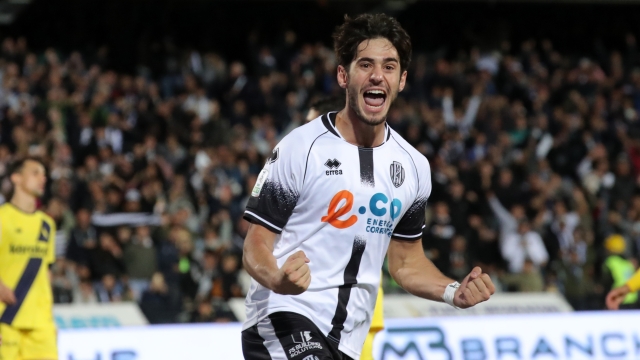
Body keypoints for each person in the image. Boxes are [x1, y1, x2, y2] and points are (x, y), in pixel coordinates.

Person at [241, 13, 495, 360]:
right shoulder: (301, 147)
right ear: (343, 75)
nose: (378, 75)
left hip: (348, 340)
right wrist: (277, 279)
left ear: (402, 80)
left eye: (389, 67)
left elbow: (405, 263)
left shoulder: (414, 166)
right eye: (365, 65)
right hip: (284, 315)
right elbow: (256, 242)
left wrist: (453, 292)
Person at [307, 97, 383, 360]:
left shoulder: (362, 174)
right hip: (312, 309)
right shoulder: (306, 163)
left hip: (350, 308)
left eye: (313, 125)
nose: (308, 134)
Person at [0, 157, 58, 360]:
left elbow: (46, 273)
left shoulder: (47, 224)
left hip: (41, 325)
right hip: (6, 321)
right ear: (16, 177)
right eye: (35, 172)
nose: (43, 178)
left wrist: (51, 318)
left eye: (44, 174)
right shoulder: (2, 218)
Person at [604, 234, 639, 310]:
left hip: (618, 300)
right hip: (633, 299)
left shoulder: (610, 262)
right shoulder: (629, 263)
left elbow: (605, 282)